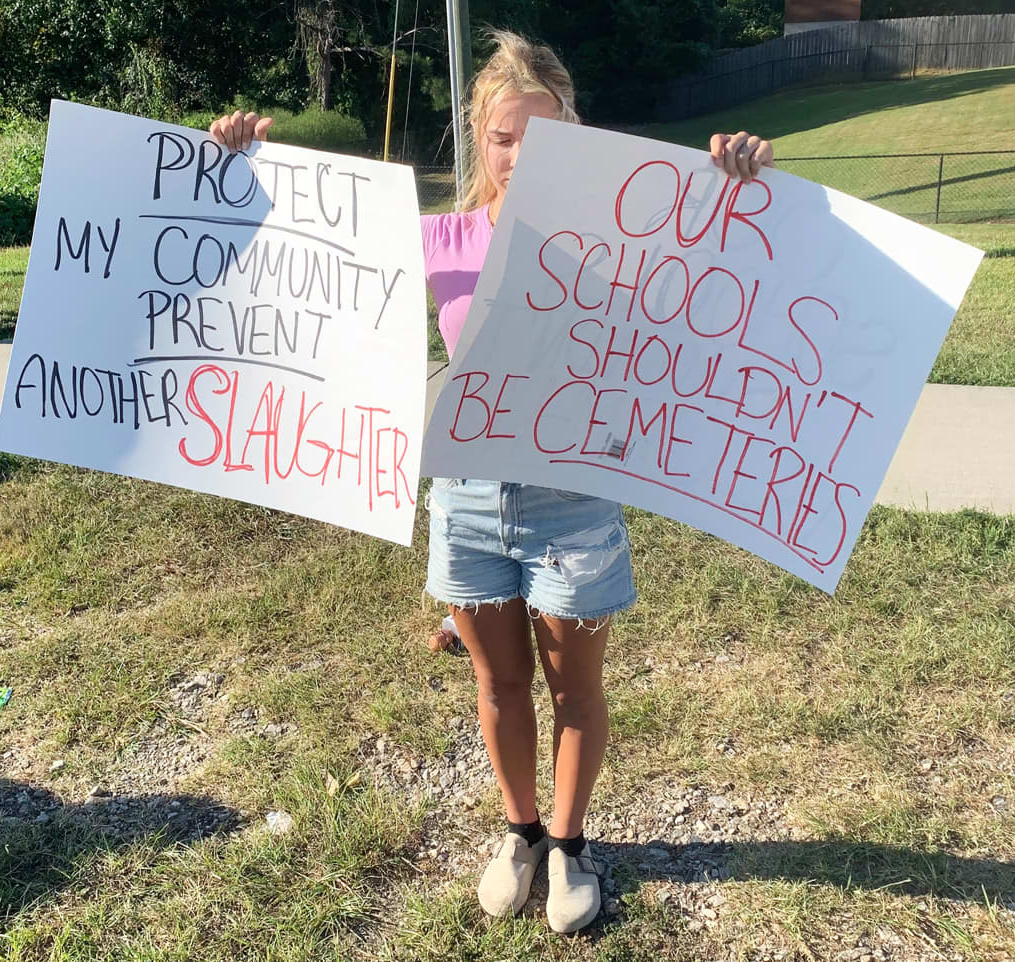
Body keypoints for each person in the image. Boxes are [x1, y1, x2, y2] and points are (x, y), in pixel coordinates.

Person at [210, 30, 773, 934]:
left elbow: (711, 276)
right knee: (501, 687)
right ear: (481, 137)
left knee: (575, 690)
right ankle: (519, 833)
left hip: (573, 501)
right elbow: (312, 252)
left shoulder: (620, 240)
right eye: (506, 137)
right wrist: (242, 169)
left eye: (543, 137)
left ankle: (571, 848)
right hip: (466, 500)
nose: (522, 155)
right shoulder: (442, 238)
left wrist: (734, 186)